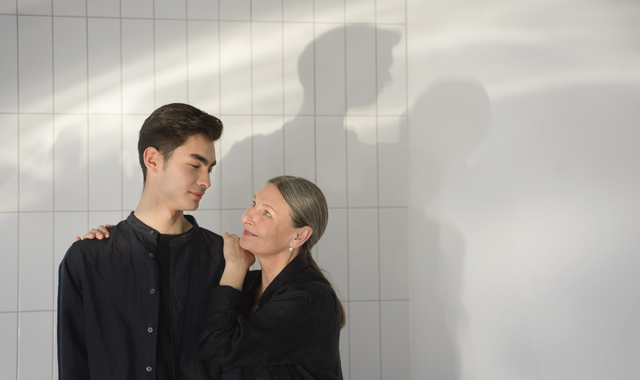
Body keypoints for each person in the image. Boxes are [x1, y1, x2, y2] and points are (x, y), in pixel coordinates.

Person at [57, 103, 233, 379]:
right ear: (152, 159)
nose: (206, 181)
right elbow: (74, 364)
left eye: (209, 168)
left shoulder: (223, 257)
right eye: (195, 165)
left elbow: (232, 361)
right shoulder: (88, 258)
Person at [197, 175, 345, 380]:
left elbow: (218, 348)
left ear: (299, 236)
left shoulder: (308, 298)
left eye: (266, 213)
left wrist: (235, 266)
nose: (247, 217)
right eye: (254, 204)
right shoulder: (250, 284)